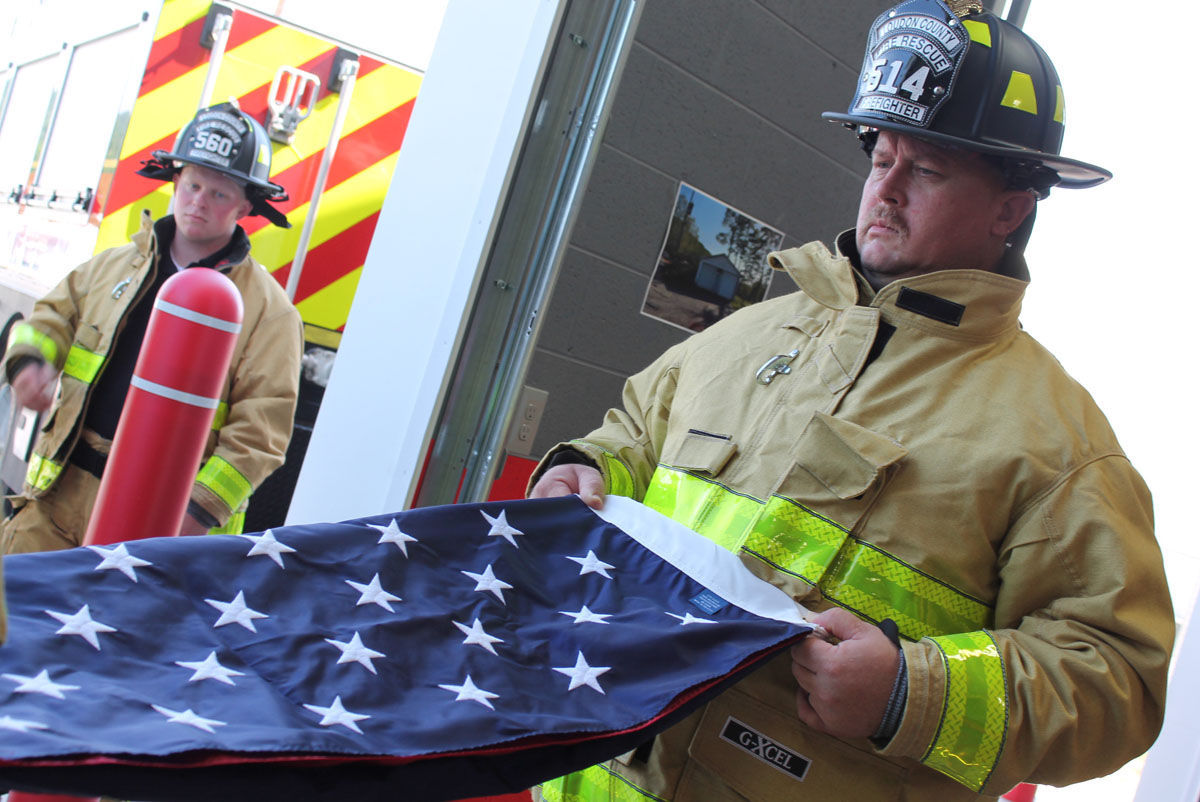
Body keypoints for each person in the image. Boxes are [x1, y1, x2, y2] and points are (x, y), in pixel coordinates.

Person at [528, 1, 1174, 799]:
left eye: (927, 170)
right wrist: (588, 470)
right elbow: (634, 435)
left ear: (1011, 208)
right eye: (881, 159)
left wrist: (911, 694)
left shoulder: (1060, 445)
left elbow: (1116, 682)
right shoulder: (747, 334)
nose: (886, 190)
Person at [1, 102, 303, 553]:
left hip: (159, 521)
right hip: (56, 503)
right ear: (175, 183)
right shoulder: (112, 267)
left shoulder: (269, 313)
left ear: (244, 206)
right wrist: (29, 363)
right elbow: (50, 318)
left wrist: (198, 511)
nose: (199, 201)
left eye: (218, 194)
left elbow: (263, 431)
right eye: (193, 185)